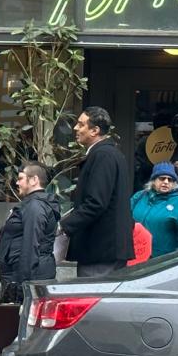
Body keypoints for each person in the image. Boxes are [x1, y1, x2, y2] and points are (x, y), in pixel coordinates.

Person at [61, 107, 134, 277]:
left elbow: (96, 203)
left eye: (81, 124)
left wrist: (64, 226)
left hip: (101, 251)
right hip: (104, 250)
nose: (75, 128)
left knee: (94, 300)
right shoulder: (108, 153)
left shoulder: (103, 155)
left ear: (95, 130)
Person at [0, 162, 60, 303]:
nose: (17, 183)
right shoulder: (33, 204)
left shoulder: (35, 206)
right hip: (23, 275)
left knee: (22, 323)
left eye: (20, 178)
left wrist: (21, 287)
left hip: (26, 278)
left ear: (34, 180)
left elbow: (31, 245)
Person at [131, 162, 178, 259]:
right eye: (162, 178)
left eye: (170, 180)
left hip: (161, 262)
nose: (166, 182)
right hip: (135, 257)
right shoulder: (140, 196)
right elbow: (125, 220)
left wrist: (174, 261)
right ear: (153, 180)